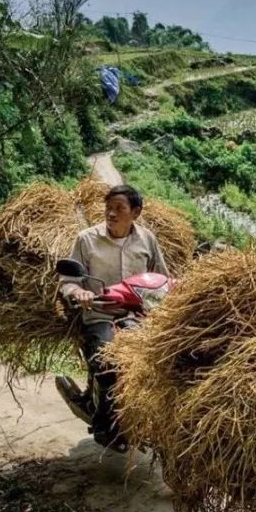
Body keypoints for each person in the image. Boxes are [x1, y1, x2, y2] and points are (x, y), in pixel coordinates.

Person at [59, 184, 168, 450]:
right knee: (109, 361)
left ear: (136, 212)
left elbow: (162, 278)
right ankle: (106, 425)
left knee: (160, 365)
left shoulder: (147, 240)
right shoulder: (87, 239)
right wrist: (79, 293)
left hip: (138, 316)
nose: (111, 214)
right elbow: (68, 281)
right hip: (99, 315)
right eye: (108, 208)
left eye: (119, 208)